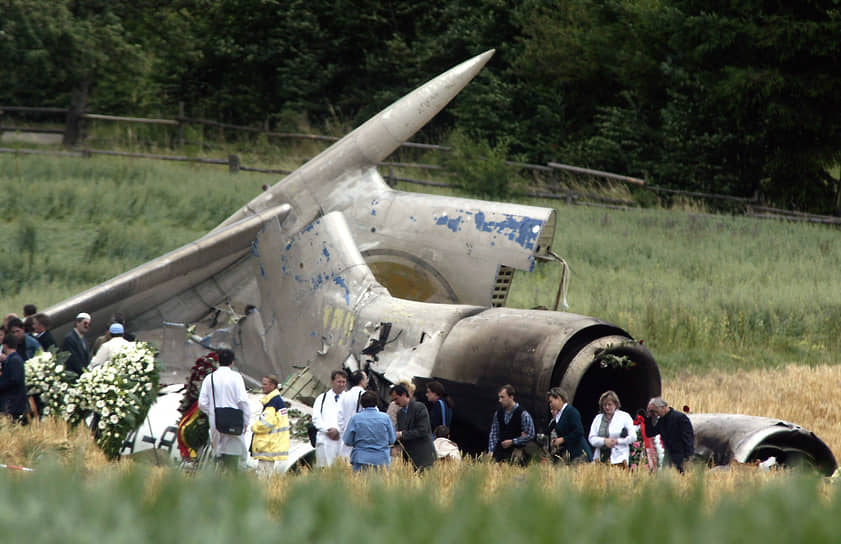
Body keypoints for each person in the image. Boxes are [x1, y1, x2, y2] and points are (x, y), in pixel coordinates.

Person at [198, 348, 251, 471]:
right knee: (235, 454)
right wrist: (246, 421)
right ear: (232, 362)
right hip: (234, 420)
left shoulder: (209, 378)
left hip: (216, 421)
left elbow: (202, 403)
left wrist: (212, 412)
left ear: (218, 361)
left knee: (218, 452)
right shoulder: (236, 377)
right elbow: (243, 401)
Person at [342, 391, 396, 471]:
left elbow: (347, 440)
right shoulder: (385, 418)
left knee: (360, 483)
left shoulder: (355, 418)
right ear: (376, 402)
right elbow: (392, 440)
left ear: (361, 403)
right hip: (381, 459)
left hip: (360, 459)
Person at [250, 375, 290, 477]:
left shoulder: (272, 403)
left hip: (268, 445)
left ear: (272, 386)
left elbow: (266, 423)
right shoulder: (277, 401)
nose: (262, 386)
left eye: (265, 384)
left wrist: (253, 427)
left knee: (263, 478)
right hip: (272, 444)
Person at [644, 397, 695, 472]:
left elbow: (688, 439)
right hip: (668, 456)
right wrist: (648, 417)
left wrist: (688, 458)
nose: (655, 414)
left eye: (656, 411)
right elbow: (650, 433)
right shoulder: (661, 420)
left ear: (663, 407)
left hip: (681, 456)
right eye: (653, 412)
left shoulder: (680, 418)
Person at [488, 384, 536, 463]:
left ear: (511, 397)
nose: (500, 400)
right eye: (499, 397)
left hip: (516, 452)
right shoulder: (498, 414)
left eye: (502, 397)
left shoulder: (523, 414)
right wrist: (491, 450)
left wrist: (513, 441)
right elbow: (494, 433)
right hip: (500, 452)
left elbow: (531, 435)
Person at [393, 384, 436, 470]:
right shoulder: (399, 413)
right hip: (408, 457)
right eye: (393, 400)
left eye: (396, 399)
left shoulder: (419, 407)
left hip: (423, 456)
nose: (395, 402)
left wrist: (401, 434)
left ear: (404, 395)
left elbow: (422, 430)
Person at [588, 390, 636, 467]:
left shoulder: (624, 417)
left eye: (609, 404)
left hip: (619, 459)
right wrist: (604, 441)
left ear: (615, 404)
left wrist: (617, 441)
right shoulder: (598, 418)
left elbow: (633, 437)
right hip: (600, 459)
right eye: (604, 405)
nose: (607, 407)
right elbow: (591, 438)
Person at [311, 369, 348, 467]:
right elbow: (316, 418)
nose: (341, 384)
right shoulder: (322, 398)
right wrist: (327, 430)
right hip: (325, 438)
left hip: (341, 439)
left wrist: (338, 430)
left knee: (341, 469)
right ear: (332, 382)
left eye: (344, 382)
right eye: (339, 381)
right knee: (324, 470)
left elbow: (350, 418)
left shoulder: (348, 398)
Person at [546, 387, 592, 463]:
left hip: (579, 454)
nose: (550, 405)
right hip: (569, 455)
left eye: (551, 401)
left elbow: (579, 432)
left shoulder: (571, 411)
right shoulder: (559, 414)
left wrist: (563, 439)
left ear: (558, 398)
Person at [337, 369, 368, 459]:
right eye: (366, 379)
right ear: (362, 381)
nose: (367, 381)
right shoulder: (366, 395)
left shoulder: (344, 396)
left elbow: (339, 418)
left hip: (345, 438)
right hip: (361, 439)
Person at [0, 332, 28, 423]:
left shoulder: (14, 360)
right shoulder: (14, 358)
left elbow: (14, 380)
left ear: (5, 346)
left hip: (13, 401)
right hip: (13, 400)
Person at [61, 312, 92, 377]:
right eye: (85, 323)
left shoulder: (84, 340)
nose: (87, 326)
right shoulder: (69, 338)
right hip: (73, 375)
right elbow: (73, 359)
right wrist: (84, 372)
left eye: (89, 324)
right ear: (77, 323)